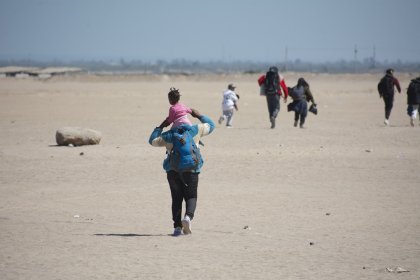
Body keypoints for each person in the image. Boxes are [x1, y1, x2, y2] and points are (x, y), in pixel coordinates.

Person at [149, 108, 215, 236]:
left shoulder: (169, 135)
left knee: (176, 198)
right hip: (192, 170)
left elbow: (152, 141)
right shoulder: (195, 130)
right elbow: (211, 125)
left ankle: (177, 228)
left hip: (173, 171)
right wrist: (199, 115)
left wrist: (161, 126)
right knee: (191, 196)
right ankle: (188, 218)